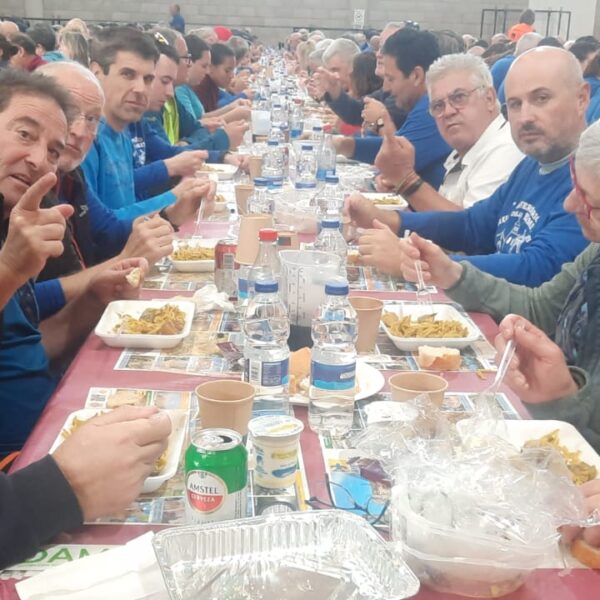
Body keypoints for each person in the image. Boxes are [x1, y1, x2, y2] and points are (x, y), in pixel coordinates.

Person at [348, 47, 590, 287]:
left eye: (541, 99)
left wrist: (415, 264)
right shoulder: (532, 164)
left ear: (581, 99)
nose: (525, 117)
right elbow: (471, 224)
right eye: (515, 104)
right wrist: (389, 219)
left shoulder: (589, 177)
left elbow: (538, 268)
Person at [0, 69, 150, 452]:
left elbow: (26, 351)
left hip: (52, 426)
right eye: (24, 134)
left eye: (53, 151)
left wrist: (94, 300)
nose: (39, 160)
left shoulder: (14, 219)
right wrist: (9, 271)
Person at [36, 61, 177, 278]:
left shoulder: (72, 174)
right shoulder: (25, 181)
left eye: (92, 119)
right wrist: (121, 261)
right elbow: (30, 295)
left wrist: (170, 212)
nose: (80, 131)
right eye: (69, 112)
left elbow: (106, 229)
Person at [82, 27, 213, 221]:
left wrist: (172, 209)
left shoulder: (124, 132)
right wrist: (174, 198)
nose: (140, 88)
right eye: (128, 75)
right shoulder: (83, 139)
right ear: (96, 72)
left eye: (148, 79)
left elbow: (126, 209)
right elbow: (100, 226)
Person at [371, 53, 523, 210]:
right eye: (438, 105)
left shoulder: (505, 150)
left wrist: (407, 182)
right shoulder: (466, 149)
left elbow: (471, 224)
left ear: (489, 98)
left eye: (459, 97)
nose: (448, 111)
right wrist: (402, 197)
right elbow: (441, 221)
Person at [334, 28, 450, 189]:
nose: (386, 88)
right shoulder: (421, 104)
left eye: (390, 79)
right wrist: (341, 144)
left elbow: (395, 159)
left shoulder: (432, 109)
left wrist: (381, 123)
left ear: (416, 76)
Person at [317, 22, 407, 134]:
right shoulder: (386, 91)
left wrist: (379, 120)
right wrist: (334, 91)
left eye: (387, 49)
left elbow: (388, 137)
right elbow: (357, 112)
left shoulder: (408, 95)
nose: (378, 54)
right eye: (379, 47)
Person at [195, 43, 246, 112]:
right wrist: (243, 95)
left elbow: (225, 97)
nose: (232, 76)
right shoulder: (201, 85)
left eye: (233, 70)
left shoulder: (214, 84)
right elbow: (203, 117)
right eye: (227, 71)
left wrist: (233, 91)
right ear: (211, 68)